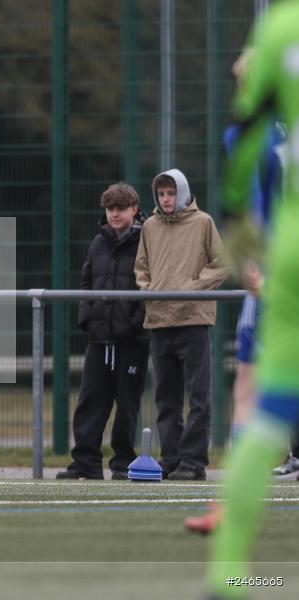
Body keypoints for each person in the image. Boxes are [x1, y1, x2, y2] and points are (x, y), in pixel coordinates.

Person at [205, 2, 299, 596]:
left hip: (288, 247)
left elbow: (242, 134)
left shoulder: (282, 23)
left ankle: (230, 574)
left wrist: (246, 251)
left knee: (267, 403)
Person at [134, 168, 227, 481]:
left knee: (198, 397)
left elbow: (222, 264)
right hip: (159, 321)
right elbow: (141, 269)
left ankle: (193, 462)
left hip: (193, 319)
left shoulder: (203, 222)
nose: (166, 199)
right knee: (166, 398)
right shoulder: (149, 226)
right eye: (161, 194)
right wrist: (149, 292)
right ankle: (171, 459)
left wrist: (194, 287)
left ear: (183, 193)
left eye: (171, 193)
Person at [57, 182, 149, 480]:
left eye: (120, 209)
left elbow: (150, 284)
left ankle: (123, 463)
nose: (114, 215)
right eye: (110, 209)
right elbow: (87, 281)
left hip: (132, 340)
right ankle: (85, 462)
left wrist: (136, 322)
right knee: (90, 401)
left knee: (127, 405)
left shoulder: (146, 241)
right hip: (99, 338)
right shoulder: (98, 242)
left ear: (134, 209)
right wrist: (88, 316)